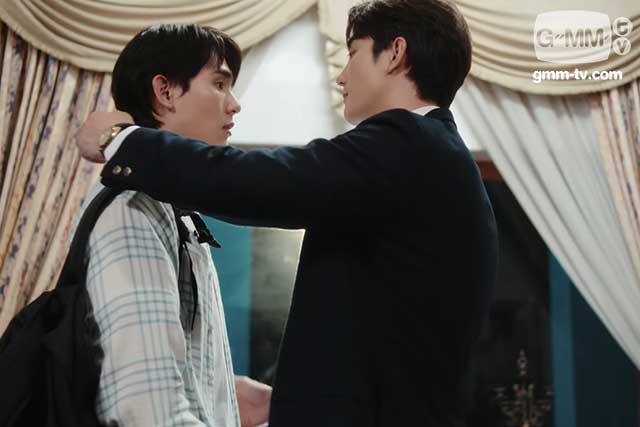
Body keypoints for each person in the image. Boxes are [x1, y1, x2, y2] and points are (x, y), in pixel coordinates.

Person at [77, 1, 498, 425]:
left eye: (352, 53)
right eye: (219, 84)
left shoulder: (408, 144)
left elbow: (259, 181)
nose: (341, 74)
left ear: (395, 53)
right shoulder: (435, 156)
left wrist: (122, 141)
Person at [76, 24, 271, 427]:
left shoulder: (172, 210)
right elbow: (149, 408)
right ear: (164, 92)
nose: (235, 105)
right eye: (219, 84)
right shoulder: (134, 208)